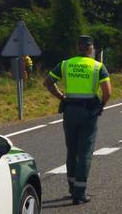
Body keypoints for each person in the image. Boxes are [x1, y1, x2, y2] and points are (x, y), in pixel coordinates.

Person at [43, 35, 111, 205]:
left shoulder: (66, 64)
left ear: (78, 48)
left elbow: (48, 82)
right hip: (88, 112)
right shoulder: (97, 66)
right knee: (85, 152)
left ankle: (72, 188)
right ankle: (79, 194)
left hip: (70, 111)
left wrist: (61, 97)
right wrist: (101, 105)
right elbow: (107, 91)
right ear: (90, 48)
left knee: (71, 150)